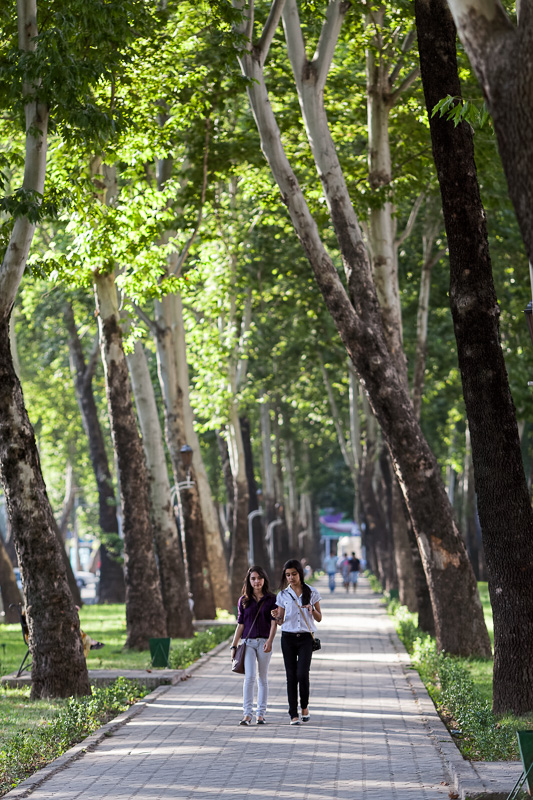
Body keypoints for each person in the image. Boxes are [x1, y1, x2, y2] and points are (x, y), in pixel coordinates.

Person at [272, 558, 322, 725]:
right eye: (288, 575)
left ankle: (305, 706)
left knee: (302, 673)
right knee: (291, 676)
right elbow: (280, 621)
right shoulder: (283, 595)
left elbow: (319, 618)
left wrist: (312, 609)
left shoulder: (312, 592)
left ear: (300, 574)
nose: (291, 578)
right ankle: (293, 713)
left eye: (294, 574)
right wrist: (276, 617)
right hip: (288, 638)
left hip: (306, 638)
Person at [230, 566, 278, 726]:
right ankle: (247, 714)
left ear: (264, 579)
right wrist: (234, 646)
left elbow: (274, 623)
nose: (256, 581)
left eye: (259, 578)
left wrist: (270, 641)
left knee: (262, 678)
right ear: (249, 581)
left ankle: (261, 714)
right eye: (253, 579)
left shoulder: (272, 599)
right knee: (249, 677)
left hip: (264, 642)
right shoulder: (244, 600)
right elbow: (241, 625)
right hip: (248, 643)